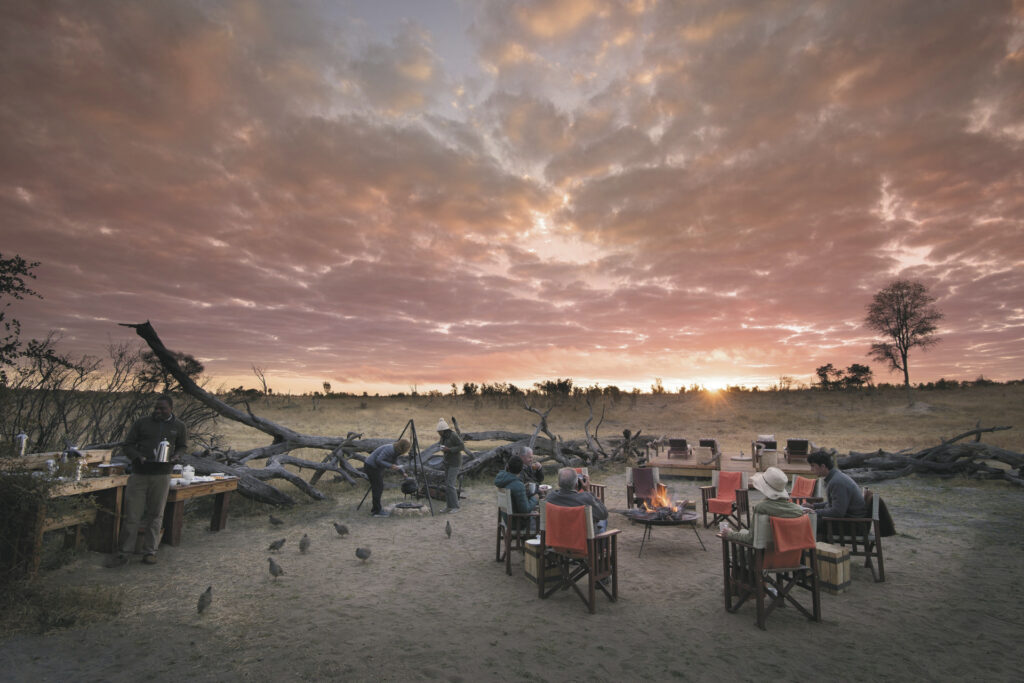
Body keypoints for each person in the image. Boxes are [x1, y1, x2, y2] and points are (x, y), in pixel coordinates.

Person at [108, 395, 187, 566]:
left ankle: (150, 552)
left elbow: (182, 445)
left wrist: (176, 456)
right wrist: (138, 457)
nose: (158, 411)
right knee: (132, 515)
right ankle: (124, 553)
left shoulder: (178, 426)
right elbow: (128, 444)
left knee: (156, 515)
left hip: (162, 474)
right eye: (156, 408)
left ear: (170, 409)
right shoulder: (142, 423)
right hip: (139, 474)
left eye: (162, 409)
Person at [722, 466, 806, 544]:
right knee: (742, 531)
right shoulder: (798, 510)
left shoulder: (761, 508)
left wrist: (730, 533)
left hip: (764, 556)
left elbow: (751, 539)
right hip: (791, 555)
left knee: (741, 533)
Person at [803, 452, 867, 535]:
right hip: (845, 521)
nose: (811, 470)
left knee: (805, 523)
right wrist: (814, 506)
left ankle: (806, 546)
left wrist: (814, 512)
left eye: (813, 466)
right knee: (805, 521)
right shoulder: (835, 477)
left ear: (823, 466)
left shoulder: (837, 482)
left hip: (850, 526)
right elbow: (835, 503)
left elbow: (838, 512)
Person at [544, 467, 609, 533]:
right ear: (576, 484)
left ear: (558, 484)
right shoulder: (586, 498)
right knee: (603, 521)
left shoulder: (550, 497)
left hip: (557, 538)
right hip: (582, 540)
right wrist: (588, 490)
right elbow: (604, 514)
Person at [364, 438, 411, 517]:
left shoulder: (396, 451)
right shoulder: (390, 449)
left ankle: (376, 509)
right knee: (378, 487)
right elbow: (379, 460)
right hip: (371, 466)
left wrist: (403, 472)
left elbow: (395, 462)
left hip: (375, 467)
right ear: (403, 448)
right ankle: (376, 511)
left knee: (378, 487)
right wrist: (390, 466)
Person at [437, 418, 464, 513]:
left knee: (450, 484)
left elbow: (461, 446)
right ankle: (449, 506)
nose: (438, 433)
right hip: (447, 462)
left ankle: (456, 506)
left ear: (444, 430)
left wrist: (450, 450)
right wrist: (443, 448)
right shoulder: (443, 437)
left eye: (439, 432)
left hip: (455, 463)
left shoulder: (453, 435)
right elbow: (442, 445)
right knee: (447, 485)